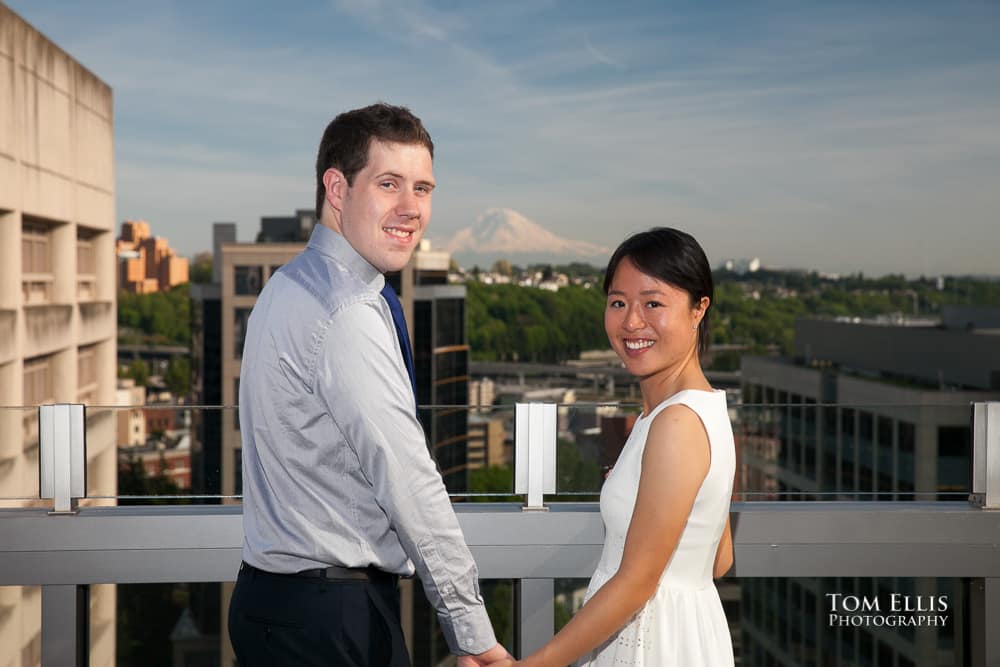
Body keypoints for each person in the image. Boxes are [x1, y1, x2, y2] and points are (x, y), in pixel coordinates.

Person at [228, 103, 509, 667]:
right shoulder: (349, 311)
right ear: (337, 187)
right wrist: (474, 637)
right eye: (389, 184)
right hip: (333, 620)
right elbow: (407, 478)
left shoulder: (285, 286)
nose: (412, 209)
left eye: (424, 188)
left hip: (266, 602)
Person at [490, 227, 736, 667]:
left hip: (652, 642)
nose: (631, 322)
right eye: (618, 302)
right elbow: (718, 559)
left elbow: (636, 583)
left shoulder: (676, 424)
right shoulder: (704, 410)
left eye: (653, 303)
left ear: (699, 310)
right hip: (684, 634)